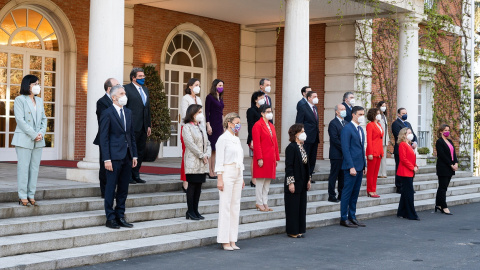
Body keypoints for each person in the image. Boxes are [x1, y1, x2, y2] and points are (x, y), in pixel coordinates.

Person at [99, 85, 138, 229]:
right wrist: (106, 159)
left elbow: (131, 135)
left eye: (124, 93)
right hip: (113, 157)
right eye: (121, 93)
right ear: (114, 97)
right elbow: (104, 138)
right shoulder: (107, 113)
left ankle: (120, 215)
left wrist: (134, 155)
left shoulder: (128, 112)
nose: (124, 95)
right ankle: (110, 218)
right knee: (110, 188)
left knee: (123, 188)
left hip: (127, 156)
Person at [11, 74, 47, 206]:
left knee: (34, 168)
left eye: (38, 83)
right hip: (24, 139)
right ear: (28, 85)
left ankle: (31, 194)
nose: (38, 86)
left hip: (38, 140)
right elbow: (20, 120)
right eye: (35, 84)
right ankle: (22, 195)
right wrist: (34, 134)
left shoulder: (40, 101)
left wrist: (41, 133)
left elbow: (44, 119)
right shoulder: (20, 100)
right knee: (23, 168)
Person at [215, 112, 245, 251]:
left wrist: (242, 177)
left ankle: (233, 239)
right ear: (229, 123)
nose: (238, 125)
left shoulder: (236, 139)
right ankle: (224, 240)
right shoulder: (223, 139)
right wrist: (219, 178)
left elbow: (240, 159)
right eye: (236, 123)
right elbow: (219, 160)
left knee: (235, 206)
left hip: (238, 173)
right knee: (225, 206)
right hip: (227, 172)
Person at [339, 106, 367, 228]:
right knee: (347, 192)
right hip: (351, 167)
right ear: (353, 115)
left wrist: (364, 164)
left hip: (360, 166)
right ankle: (344, 217)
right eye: (360, 114)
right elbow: (345, 149)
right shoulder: (347, 129)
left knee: (355, 193)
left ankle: (352, 216)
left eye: (363, 114)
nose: (362, 117)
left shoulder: (360, 129)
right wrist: (351, 166)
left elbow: (361, 149)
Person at [183, 104, 211, 220]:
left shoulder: (201, 126)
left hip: (203, 162)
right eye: (199, 112)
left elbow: (208, 143)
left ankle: (196, 210)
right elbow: (190, 144)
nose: (201, 114)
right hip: (193, 161)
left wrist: (207, 154)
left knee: (199, 187)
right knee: (192, 186)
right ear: (192, 114)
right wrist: (201, 155)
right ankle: (190, 211)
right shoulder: (187, 127)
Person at [124, 68, 151, 184]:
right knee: (130, 151)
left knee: (140, 152)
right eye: (140, 76)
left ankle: (136, 174)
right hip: (132, 126)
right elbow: (124, 108)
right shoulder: (126, 89)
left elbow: (147, 109)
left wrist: (149, 125)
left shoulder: (145, 90)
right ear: (133, 78)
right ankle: (128, 175)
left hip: (144, 127)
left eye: (143, 76)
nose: (142, 78)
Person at [284, 124, 311, 238]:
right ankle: (292, 230)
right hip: (294, 180)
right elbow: (289, 166)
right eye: (302, 131)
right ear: (296, 134)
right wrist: (291, 182)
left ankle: (299, 229)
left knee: (301, 206)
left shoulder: (302, 147)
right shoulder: (291, 147)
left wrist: (308, 180)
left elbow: (306, 165)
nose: (304, 133)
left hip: (302, 180)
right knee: (293, 207)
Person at [252, 104, 279, 212]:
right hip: (262, 157)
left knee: (267, 182)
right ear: (262, 113)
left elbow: (275, 143)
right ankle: (259, 202)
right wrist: (259, 158)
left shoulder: (271, 126)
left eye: (270, 111)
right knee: (260, 182)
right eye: (267, 111)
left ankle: (265, 202)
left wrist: (276, 157)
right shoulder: (257, 125)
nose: (270, 113)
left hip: (270, 157)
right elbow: (257, 143)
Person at [93, 78, 116, 198]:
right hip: (106, 138)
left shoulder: (120, 101)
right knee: (104, 165)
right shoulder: (102, 102)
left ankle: (113, 189)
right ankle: (105, 191)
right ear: (109, 89)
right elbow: (103, 121)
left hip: (118, 139)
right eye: (117, 85)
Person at [180, 78, 203, 192]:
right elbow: (185, 114)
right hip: (188, 128)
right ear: (190, 86)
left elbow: (201, 115)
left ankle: (195, 179)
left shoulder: (198, 99)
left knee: (198, 154)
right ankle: (185, 181)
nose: (198, 86)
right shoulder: (186, 98)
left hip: (198, 128)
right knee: (187, 154)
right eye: (196, 85)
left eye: (199, 85)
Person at [295, 91, 320, 183]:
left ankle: (309, 176)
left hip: (315, 137)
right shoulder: (303, 108)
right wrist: (300, 137)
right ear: (309, 98)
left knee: (312, 158)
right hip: (306, 137)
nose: (316, 98)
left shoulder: (315, 108)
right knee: (305, 157)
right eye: (314, 96)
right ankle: (303, 176)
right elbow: (299, 123)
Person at [392, 108, 417, 194]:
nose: (405, 114)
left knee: (409, 168)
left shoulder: (408, 123)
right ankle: (399, 186)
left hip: (409, 148)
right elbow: (399, 135)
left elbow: (413, 134)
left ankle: (409, 186)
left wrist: (415, 142)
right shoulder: (395, 124)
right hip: (400, 149)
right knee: (400, 167)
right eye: (403, 113)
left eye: (406, 113)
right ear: (398, 114)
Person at [396, 127, 419, 221]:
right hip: (405, 172)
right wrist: (412, 167)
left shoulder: (409, 144)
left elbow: (412, 158)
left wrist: (416, 165)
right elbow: (403, 159)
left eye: (411, 132)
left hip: (410, 171)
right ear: (404, 134)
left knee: (405, 192)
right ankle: (411, 214)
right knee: (409, 193)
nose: (411, 134)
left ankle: (401, 212)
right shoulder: (402, 144)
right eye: (409, 133)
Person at [435, 124, 458, 215]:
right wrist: (450, 164)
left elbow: (454, 153)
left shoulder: (450, 141)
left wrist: (456, 163)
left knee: (443, 187)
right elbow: (442, 155)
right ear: (441, 131)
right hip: (443, 167)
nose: (447, 132)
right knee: (443, 187)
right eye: (445, 130)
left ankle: (438, 204)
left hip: (450, 167)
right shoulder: (439, 142)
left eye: (448, 130)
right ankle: (444, 206)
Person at [205, 79, 225, 179]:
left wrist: (224, 125)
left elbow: (221, 113)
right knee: (211, 148)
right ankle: (209, 170)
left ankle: (214, 169)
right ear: (215, 86)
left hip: (219, 125)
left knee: (216, 149)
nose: (221, 87)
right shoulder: (209, 97)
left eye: (222, 85)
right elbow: (206, 112)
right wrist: (208, 125)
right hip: (212, 124)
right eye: (219, 85)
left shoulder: (220, 98)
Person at [327, 104, 346, 203]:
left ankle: (341, 194)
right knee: (334, 175)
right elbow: (334, 139)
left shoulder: (346, 123)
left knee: (342, 176)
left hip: (344, 155)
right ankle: (331, 195)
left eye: (344, 109)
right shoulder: (333, 123)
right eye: (341, 109)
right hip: (336, 154)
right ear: (337, 112)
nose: (344, 111)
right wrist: (344, 148)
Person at [246, 91, 265, 188]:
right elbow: (250, 126)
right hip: (254, 138)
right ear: (255, 99)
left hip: (263, 138)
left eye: (263, 97)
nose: (263, 99)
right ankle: (253, 180)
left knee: (260, 158)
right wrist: (252, 139)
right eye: (260, 97)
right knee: (255, 158)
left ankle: (258, 178)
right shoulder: (251, 110)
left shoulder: (263, 110)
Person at [366, 108, 384, 198]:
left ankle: (374, 189)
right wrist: (370, 153)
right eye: (377, 113)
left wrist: (382, 151)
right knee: (371, 173)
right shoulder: (370, 125)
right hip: (372, 152)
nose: (379, 114)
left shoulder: (379, 125)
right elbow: (369, 140)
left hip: (379, 151)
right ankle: (370, 190)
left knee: (376, 173)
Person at [376, 101, 389, 178]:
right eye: (383, 105)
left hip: (384, 139)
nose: (384, 107)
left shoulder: (384, 116)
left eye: (385, 105)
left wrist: (387, 139)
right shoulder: (378, 116)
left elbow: (386, 129)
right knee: (379, 156)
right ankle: (379, 173)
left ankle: (384, 173)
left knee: (384, 157)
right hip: (379, 139)